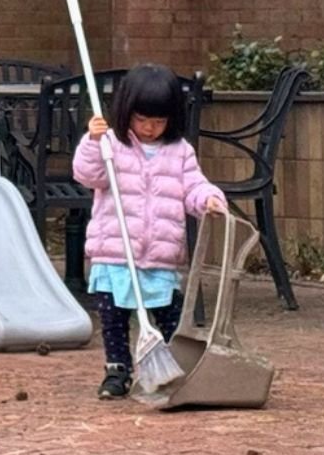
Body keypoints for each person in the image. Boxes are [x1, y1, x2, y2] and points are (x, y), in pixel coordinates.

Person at [73, 64, 226, 400]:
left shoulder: (180, 151)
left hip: (160, 255)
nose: (149, 128)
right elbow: (87, 175)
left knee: (170, 315)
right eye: (142, 120)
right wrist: (92, 141)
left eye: (159, 122)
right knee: (113, 319)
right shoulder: (111, 144)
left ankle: (172, 370)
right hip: (114, 254)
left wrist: (209, 199)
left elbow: (193, 186)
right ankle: (117, 371)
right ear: (126, 112)